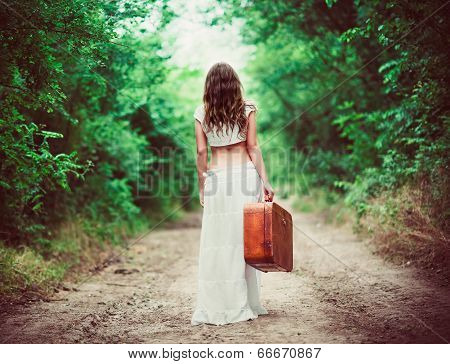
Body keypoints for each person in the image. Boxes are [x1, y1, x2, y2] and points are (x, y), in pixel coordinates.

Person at [190, 62, 275, 326]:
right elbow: (253, 147)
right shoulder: (247, 108)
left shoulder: (201, 112)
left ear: (209, 85)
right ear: (234, 83)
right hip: (245, 178)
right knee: (245, 239)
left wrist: (203, 184)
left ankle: (219, 303)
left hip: (217, 179)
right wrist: (265, 182)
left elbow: (202, 153)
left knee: (218, 241)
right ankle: (246, 302)